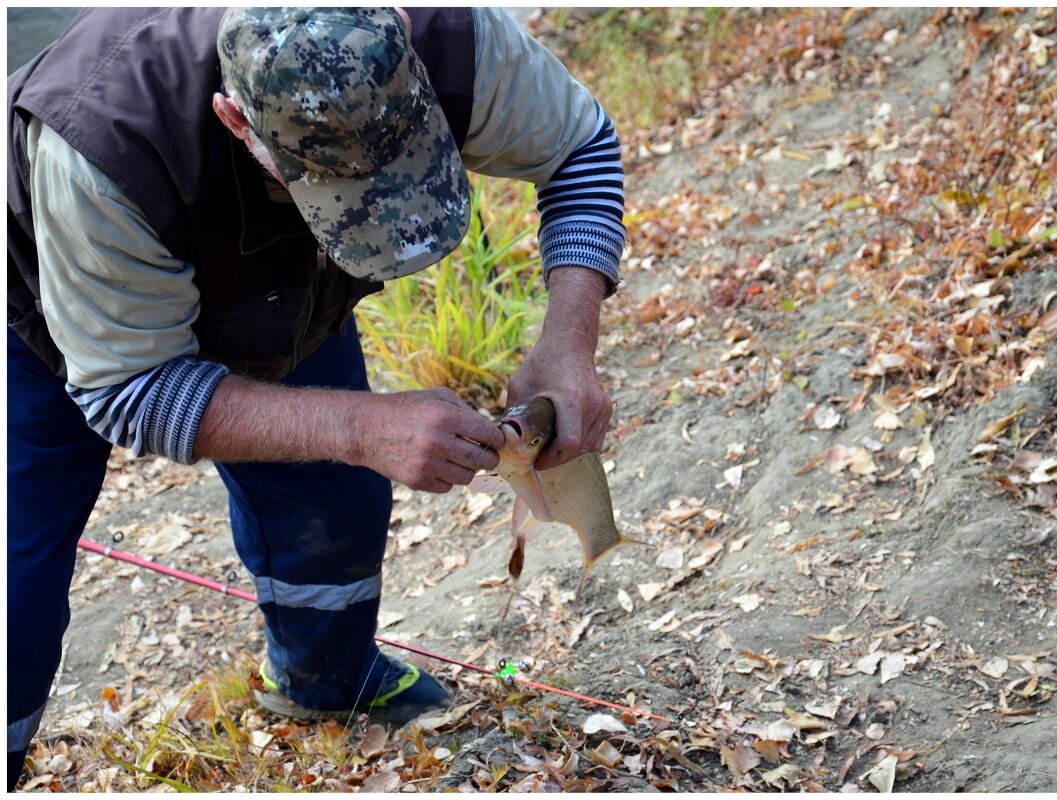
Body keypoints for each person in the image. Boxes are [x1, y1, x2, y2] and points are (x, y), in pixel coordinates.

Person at [7, 7, 625, 788]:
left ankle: (323, 684)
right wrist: (359, 425)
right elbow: (131, 388)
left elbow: (581, 151)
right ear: (236, 119)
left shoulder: (455, 39)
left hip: (278, 293)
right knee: (13, 593)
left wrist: (570, 342)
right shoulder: (102, 143)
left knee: (337, 504)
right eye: (340, 192)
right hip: (39, 311)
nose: (375, 213)